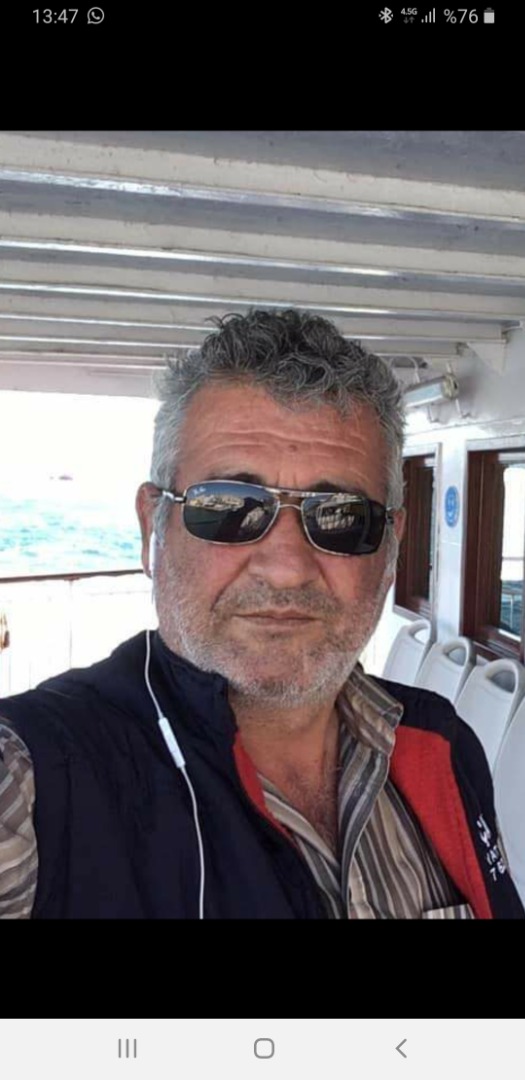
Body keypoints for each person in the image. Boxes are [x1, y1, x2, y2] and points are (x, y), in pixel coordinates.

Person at [0, 308, 522, 920]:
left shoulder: (444, 745)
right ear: (152, 528)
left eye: (340, 516)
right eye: (228, 506)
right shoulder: (34, 778)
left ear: (391, 546)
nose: (287, 568)